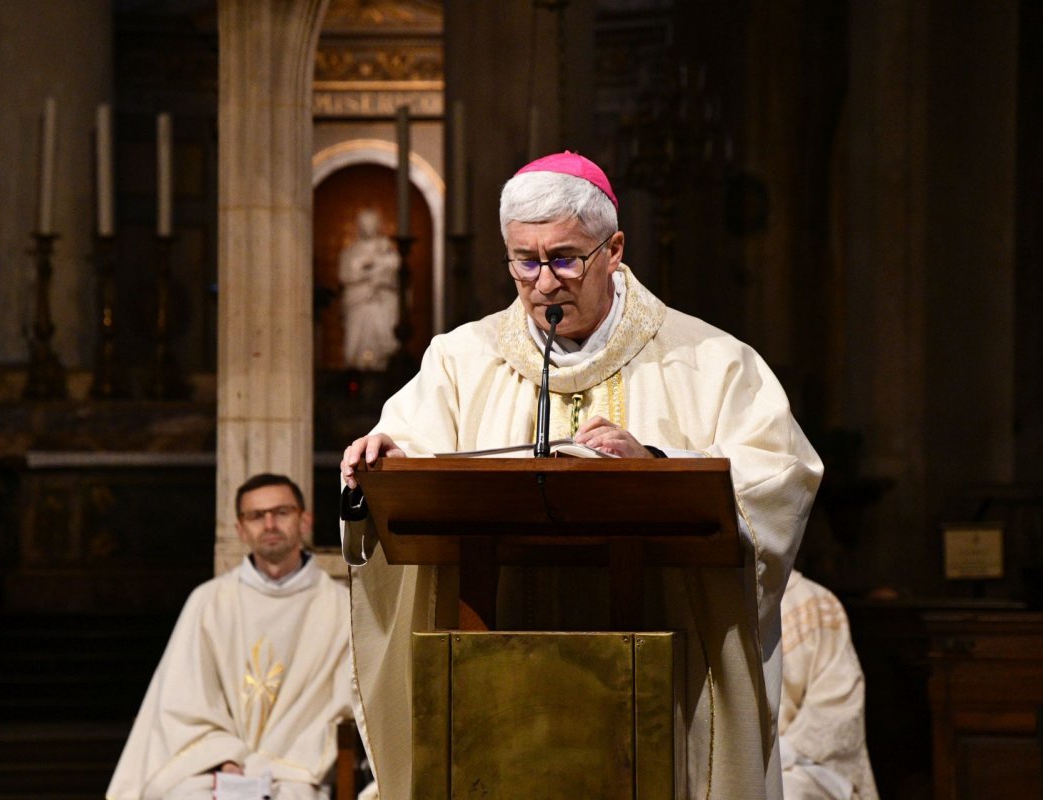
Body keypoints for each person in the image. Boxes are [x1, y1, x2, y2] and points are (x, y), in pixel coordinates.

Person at [339, 151, 824, 798]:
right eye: (525, 261)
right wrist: (380, 462)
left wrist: (657, 467)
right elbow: (411, 455)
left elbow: (778, 479)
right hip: (495, 667)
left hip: (660, 671)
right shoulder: (461, 359)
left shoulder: (710, 361)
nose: (544, 283)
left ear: (614, 248)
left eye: (566, 257)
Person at [107, 474, 353, 800]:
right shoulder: (208, 602)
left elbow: (350, 702)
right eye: (255, 516)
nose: (269, 524)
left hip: (294, 768)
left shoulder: (340, 607)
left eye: (281, 512)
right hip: (214, 767)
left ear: (304, 521)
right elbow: (183, 703)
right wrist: (223, 759)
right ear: (240, 530)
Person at [780, 570, 879, 800]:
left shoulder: (816, 602)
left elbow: (836, 702)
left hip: (799, 764)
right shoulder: (708, 599)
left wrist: (780, 754)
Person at [338, 208, 401, 371]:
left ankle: (379, 364)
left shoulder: (386, 248)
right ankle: (355, 366)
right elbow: (345, 275)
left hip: (380, 300)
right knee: (355, 340)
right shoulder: (351, 251)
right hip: (358, 300)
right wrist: (367, 273)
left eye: (371, 223)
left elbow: (394, 271)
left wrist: (377, 275)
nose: (368, 227)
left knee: (381, 336)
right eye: (364, 223)